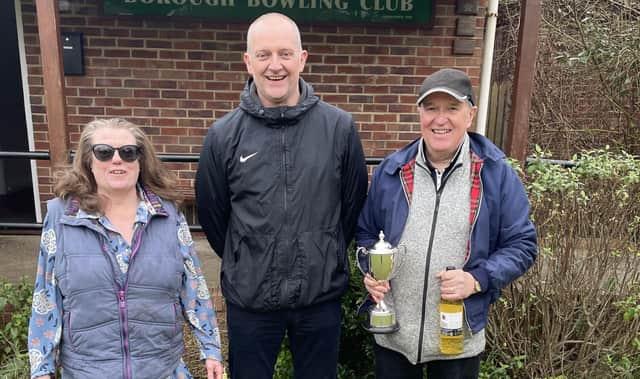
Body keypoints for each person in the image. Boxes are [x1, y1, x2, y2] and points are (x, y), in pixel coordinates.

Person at [195, 12, 368, 379]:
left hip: (320, 296)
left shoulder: (339, 128)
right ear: (248, 61)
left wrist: (325, 250)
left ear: (302, 58)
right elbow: (213, 214)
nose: (276, 66)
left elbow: (351, 206)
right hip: (251, 299)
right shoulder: (223, 136)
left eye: (285, 54)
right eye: (264, 55)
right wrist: (247, 257)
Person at [355, 68, 537, 378]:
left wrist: (477, 279)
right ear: (419, 114)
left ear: (470, 114)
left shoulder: (495, 174)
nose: (440, 120)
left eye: (452, 108)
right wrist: (371, 269)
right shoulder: (391, 171)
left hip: (459, 340)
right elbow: (366, 234)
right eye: (431, 108)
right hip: (394, 335)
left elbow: (522, 244)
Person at [27, 118, 224, 379]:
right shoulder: (62, 216)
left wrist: (210, 349)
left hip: (161, 370)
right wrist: (42, 368)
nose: (116, 160)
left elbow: (194, 286)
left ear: (141, 160)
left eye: (128, 152)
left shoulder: (167, 215)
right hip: (88, 371)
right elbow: (46, 295)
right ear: (89, 160)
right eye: (104, 152)